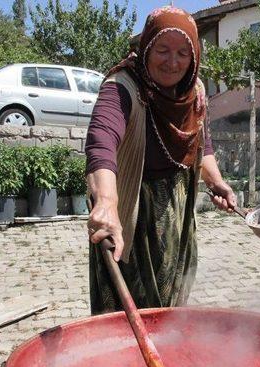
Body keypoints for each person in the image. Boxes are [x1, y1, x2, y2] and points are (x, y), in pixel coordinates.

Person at [85, 5, 236, 315]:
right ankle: (121, 362)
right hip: (130, 209)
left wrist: (217, 181)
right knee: (126, 306)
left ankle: (166, 349)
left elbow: (201, 143)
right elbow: (102, 142)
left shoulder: (194, 91)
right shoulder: (122, 87)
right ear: (147, 47)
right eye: (163, 50)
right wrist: (107, 203)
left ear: (194, 56)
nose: (173, 62)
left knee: (172, 297)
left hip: (177, 209)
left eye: (183, 52)